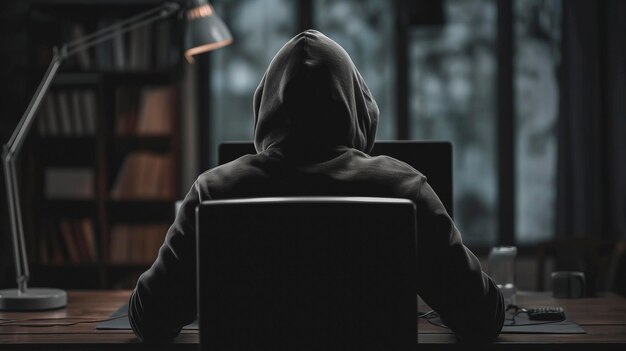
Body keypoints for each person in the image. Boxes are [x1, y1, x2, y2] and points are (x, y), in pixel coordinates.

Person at [128, 29, 504, 343]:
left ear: (265, 108)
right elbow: (482, 317)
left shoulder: (214, 190)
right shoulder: (404, 186)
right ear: (358, 108)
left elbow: (150, 319)